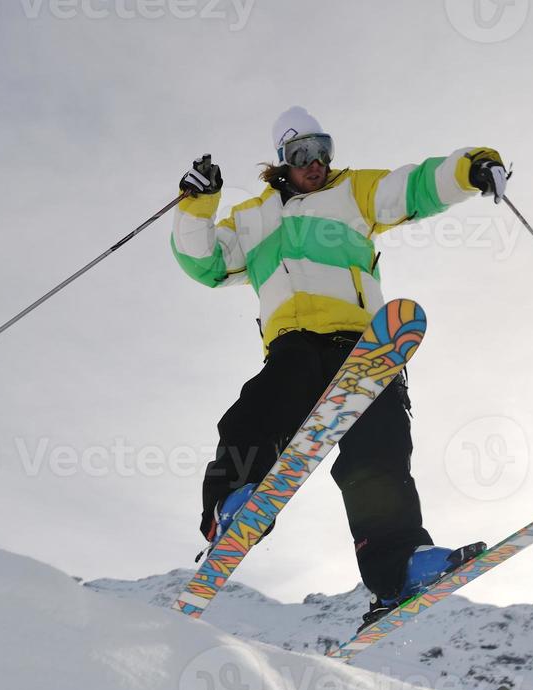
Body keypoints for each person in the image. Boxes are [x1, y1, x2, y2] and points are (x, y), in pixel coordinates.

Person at [173, 107, 508, 625]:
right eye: (301, 153)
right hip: (295, 340)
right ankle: (232, 505)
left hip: (364, 344)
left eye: (323, 149)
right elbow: (205, 263)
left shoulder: (354, 192)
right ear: (281, 161)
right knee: (258, 412)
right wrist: (197, 205)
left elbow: (415, 187)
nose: (316, 162)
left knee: (380, 453)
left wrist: (471, 168)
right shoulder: (251, 219)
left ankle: (399, 568)